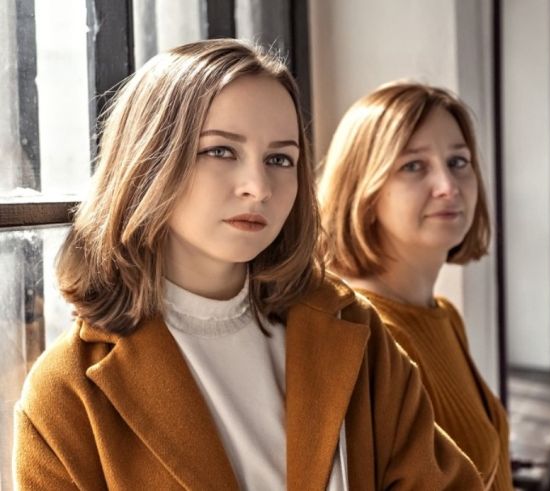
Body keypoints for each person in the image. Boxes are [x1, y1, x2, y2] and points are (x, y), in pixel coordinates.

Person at [13, 40, 483, 490]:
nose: (258, 186)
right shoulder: (66, 392)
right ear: (149, 162)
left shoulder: (356, 331)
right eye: (221, 151)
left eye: (280, 158)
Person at [318, 81, 512, 490]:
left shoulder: (443, 315)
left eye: (458, 162)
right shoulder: (364, 335)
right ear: (363, 191)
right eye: (413, 166)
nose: (448, 185)